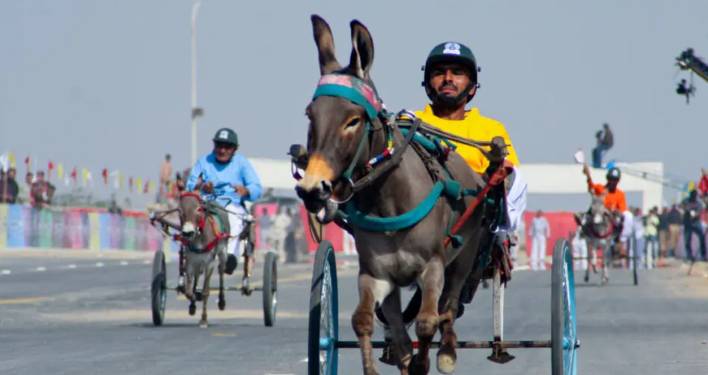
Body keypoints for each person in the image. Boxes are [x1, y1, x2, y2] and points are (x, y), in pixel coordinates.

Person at [415, 41, 527, 237]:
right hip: (417, 220)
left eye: (457, 72)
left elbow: (512, 178)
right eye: (439, 72)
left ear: (473, 87)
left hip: (475, 228)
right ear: (427, 84)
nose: (448, 78)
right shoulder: (409, 122)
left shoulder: (491, 129)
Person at [186, 128, 263, 274]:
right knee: (191, 219)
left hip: (231, 205)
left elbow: (257, 187)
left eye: (227, 147)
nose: (222, 150)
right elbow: (190, 184)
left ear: (234, 149)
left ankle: (229, 257)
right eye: (219, 146)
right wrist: (202, 185)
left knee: (234, 221)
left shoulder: (241, 163)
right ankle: (196, 256)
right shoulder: (204, 161)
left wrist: (246, 191)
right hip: (206, 204)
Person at [681, 190, 706, 262]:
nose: (694, 197)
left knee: (702, 237)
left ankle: (703, 255)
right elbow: (682, 205)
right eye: (693, 196)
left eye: (695, 196)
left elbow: (700, 210)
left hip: (696, 222)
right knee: (687, 240)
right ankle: (689, 255)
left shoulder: (698, 203)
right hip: (687, 222)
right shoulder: (686, 200)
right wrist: (686, 209)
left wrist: (696, 214)